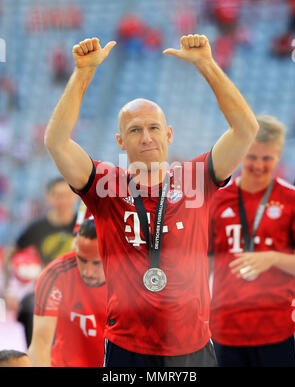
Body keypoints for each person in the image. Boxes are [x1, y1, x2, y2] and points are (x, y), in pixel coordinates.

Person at [44, 34, 258, 366]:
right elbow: (56, 142)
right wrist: (83, 73)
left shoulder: (197, 178)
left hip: (193, 347)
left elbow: (246, 129)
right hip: (128, 348)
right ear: (120, 140)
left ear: (168, 134)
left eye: (154, 128)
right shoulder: (106, 185)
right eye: (134, 130)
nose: (146, 137)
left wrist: (206, 64)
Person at [209, 115, 295, 367]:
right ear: (240, 154)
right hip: (225, 330)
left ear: (279, 155)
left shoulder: (293, 201)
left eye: (267, 158)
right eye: (252, 157)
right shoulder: (217, 200)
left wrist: (271, 258)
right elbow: (204, 263)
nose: (259, 165)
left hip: (277, 330)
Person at [3, 177, 77, 346]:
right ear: (49, 197)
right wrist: (8, 290)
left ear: (75, 196)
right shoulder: (37, 227)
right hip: (46, 290)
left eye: (67, 195)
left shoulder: (83, 224)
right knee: (29, 312)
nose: (63, 200)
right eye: (58, 195)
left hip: (77, 291)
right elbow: (10, 254)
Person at [28, 218, 107, 367]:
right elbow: (40, 344)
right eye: (82, 260)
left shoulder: (129, 277)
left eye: (96, 263)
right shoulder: (55, 275)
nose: (88, 272)